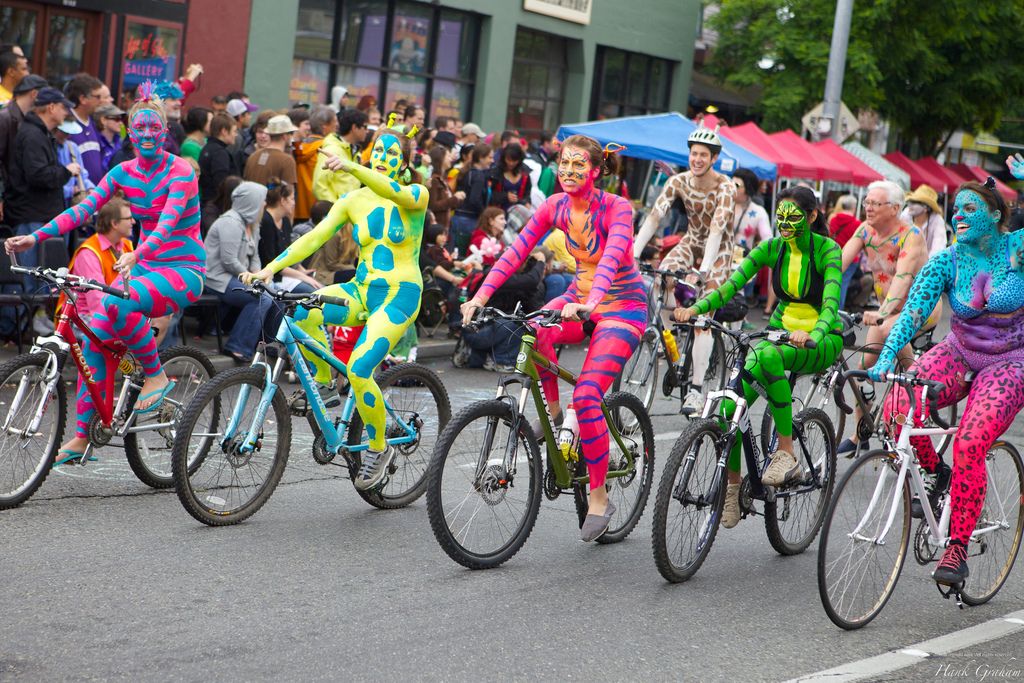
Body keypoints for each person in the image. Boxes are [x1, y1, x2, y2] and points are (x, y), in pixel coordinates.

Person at [5, 81, 205, 464]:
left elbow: (168, 221)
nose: (147, 135)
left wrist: (138, 252)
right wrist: (35, 237)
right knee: (94, 333)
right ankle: (85, 434)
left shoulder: (180, 171)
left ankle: (156, 375)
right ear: (130, 131)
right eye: (139, 128)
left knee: (121, 306)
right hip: (144, 266)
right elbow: (84, 210)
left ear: (164, 132)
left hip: (184, 267)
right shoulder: (122, 172)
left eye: (154, 128)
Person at [460, 134, 645, 542]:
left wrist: (592, 302)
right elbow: (516, 251)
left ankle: (600, 497)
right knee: (533, 328)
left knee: (589, 395)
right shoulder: (555, 206)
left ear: (596, 171)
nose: (569, 172)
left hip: (621, 307)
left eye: (579, 166)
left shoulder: (617, 208)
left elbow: (613, 257)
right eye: (564, 164)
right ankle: (557, 419)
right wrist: (480, 295)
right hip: (576, 298)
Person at [242, 125, 427, 491]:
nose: (384, 158)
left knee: (360, 367)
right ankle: (325, 383)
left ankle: (378, 447)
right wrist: (269, 268)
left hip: (400, 293)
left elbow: (391, 191)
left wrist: (353, 168)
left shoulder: (415, 194)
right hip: (361, 288)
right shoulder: (353, 201)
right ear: (369, 154)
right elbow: (313, 237)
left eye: (393, 155)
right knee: (302, 309)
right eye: (379, 151)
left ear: (405, 164)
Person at [872, 178, 1024, 587]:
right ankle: (937, 474)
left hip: (1010, 362)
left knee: (971, 443)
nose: (959, 215)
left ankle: (957, 547)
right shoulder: (947, 260)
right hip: (958, 351)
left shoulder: (1017, 248)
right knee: (896, 409)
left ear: (995, 216)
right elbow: (912, 311)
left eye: (970, 209)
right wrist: (887, 355)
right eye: (956, 208)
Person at [675, 185, 843, 528]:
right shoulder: (771, 248)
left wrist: (814, 333)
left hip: (821, 340)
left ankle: (786, 452)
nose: (785, 223)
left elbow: (830, 303)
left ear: (811, 217)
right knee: (726, 410)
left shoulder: (829, 250)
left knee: (767, 359)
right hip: (778, 334)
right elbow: (729, 286)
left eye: (793, 217)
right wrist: (695, 308)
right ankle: (734, 488)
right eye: (780, 216)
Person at [633, 123, 738, 414]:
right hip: (691, 241)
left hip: (719, 251)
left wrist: (703, 271)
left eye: (704, 155)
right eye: (694, 154)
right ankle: (673, 345)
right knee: (662, 278)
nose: (698, 160)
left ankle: (695, 390)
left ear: (714, 158)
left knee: (703, 316)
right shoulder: (678, 181)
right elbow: (655, 216)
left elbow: (717, 230)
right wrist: (631, 254)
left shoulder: (726, 186)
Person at [837, 180, 933, 455]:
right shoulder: (866, 230)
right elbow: (839, 263)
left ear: (894, 208)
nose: (867, 207)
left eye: (875, 204)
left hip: (918, 308)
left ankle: (915, 399)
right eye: (866, 202)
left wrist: (882, 312)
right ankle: (860, 434)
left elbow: (902, 279)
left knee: (895, 335)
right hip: (885, 312)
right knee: (863, 365)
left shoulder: (910, 235)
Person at [5, 87, 80, 277]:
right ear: (51, 107)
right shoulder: (33, 135)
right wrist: (66, 171)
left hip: (40, 216)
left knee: (44, 279)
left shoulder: (41, 133)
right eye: (64, 107)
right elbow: (37, 175)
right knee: (31, 280)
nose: (67, 112)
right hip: (32, 217)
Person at [205, 181, 276, 362]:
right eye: (262, 200)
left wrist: (260, 276)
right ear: (251, 201)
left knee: (274, 294)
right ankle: (237, 346)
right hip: (216, 279)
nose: (265, 204)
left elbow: (255, 257)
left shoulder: (252, 223)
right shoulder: (230, 223)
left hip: (237, 277)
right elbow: (229, 262)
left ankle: (265, 344)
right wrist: (252, 279)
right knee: (261, 298)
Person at [57, 197, 135, 325]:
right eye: (128, 218)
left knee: (161, 317)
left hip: (115, 309)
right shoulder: (89, 253)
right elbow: (97, 302)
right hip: (85, 318)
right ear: (114, 224)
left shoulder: (127, 246)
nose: (133, 222)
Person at [0, 73, 46, 224]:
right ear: (34, 94)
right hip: (7, 195)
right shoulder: (5, 117)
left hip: (16, 198)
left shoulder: (27, 119)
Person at [731, 167, 772, 305]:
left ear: (747, 188)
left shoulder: (758, 212)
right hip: (718, 259)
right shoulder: (721, 205)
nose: (731, 187)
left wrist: (756, 256)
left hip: (741, 262)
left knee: (736, 300)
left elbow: (768, 238)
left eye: (736, 185)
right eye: (730, 183)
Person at [313, 108, 367, 202]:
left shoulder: (355, 152)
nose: (367, 131)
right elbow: (319, 185)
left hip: (350, 211)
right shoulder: (332, 150)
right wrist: (335, 208)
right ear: (354, 128)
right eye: (365, 127)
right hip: (338, 212)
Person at [292, 104, 334, 221]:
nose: (337, 127)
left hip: (295, 208)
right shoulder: (327, 150)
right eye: (334, 124)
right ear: (324, 127)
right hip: (319, 209)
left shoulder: (296, 148)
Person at [452, 143, 493, 254]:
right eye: (490, 157)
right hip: (468, 221)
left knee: (455, 253)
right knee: (463, 254)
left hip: (457, 218)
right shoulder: (479, 176)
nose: (492, 160)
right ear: (481, 158)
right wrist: (484, 214)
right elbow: (475, 199)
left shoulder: (467, 172)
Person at [64, 73, 106, 182]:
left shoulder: (94, 124)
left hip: (94, 194)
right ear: (82, 99)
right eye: (97, 97)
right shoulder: (66, 123)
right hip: (77, 195)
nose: (101, 101)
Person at [244, 114, 297, 188]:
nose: (292, 136)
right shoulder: (287, 160)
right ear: (285, 136)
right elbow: (289, 193)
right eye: (291, 133)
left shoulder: (253, 156)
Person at [198, 113, 240, 203]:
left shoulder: (206, 148)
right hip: (217, 205)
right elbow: (221, 183)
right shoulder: (220, 153)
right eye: (234, 131)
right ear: (224, 131)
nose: (236, 135)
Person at [828, 194, 861, 309]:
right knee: (843, 284)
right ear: (854, 207)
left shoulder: (833, 220)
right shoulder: (857, 224)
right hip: (851, 259)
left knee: (832, 283)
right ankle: (838, 311)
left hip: (834, 256)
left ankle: (829, 309)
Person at [53, 118, 94, 208]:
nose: (67, 136)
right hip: (55, 204)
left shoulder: (72, 147)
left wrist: (89, 187)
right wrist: (70, 191)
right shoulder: (48, 148)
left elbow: (82, 175)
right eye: (64, 132)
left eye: (69, 133)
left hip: (73, 203)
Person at [901, 184, 948, 257]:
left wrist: (926, 266)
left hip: (928, 264)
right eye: (910, 201)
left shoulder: (937, 220)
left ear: (926, 208)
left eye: (915, 202)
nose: (910, 205)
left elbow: (938, 248)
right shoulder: (906, 215)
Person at [427, 145, 464, 228]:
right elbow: (433, 206)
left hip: (445, 227)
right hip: (436, 227)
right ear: (440, 158)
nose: (451, 158)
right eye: (448, 156)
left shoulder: (443, 180)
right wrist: (454, 199)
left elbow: (448, 205)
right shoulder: (434, 180)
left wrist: (458, 199)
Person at [489, 143, 532, 211]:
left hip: (517, 213)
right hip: (497, 212)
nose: (511, 163)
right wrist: (505, 196)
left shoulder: (525, 174)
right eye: (508, 160)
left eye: (514, 160)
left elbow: (527, 194)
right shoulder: (495, 173)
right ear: (504, 158)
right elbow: (489, 194)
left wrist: (526, 203)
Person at [94, 103, 125, 174]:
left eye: (121, 119)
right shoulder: (96, 142)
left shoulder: (120, 141)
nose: (121, 123)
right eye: (117, 119)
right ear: (103, 120)